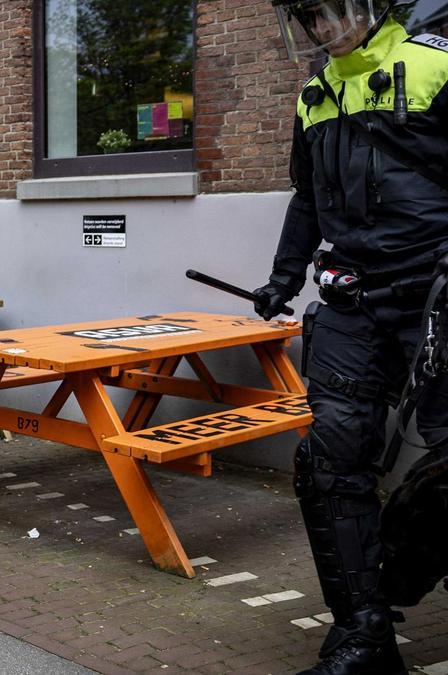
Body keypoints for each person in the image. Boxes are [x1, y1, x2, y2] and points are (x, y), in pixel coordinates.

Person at [255, 2, 448, 673]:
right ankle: (363, 634)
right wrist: (281, 279)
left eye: (335, 7)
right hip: (353, 297)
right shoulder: (314, 95)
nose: (322, 25)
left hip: (436, 286)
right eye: (309, 14)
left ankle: (406, 572)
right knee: (330, 461)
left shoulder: (435, 67)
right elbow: (307, 199)